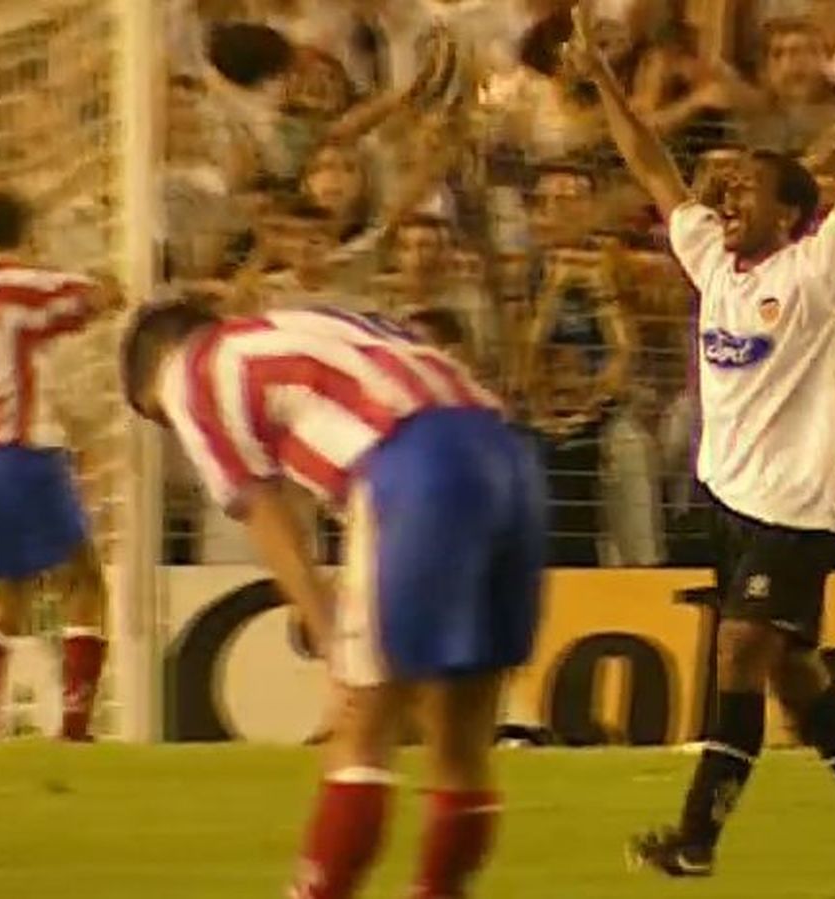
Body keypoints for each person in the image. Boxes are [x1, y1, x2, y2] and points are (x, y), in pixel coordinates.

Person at [565, 0, 835, 876]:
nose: (726, 197)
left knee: (737, 652)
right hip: (730, 500)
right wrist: (604, 80)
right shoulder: (715, 265)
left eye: (746, 190)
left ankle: (697, 838)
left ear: (792, 213)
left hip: (796, 506)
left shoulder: (820, 268)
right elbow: (651, 164)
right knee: (799, 680)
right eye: (724, 189)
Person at [119, 301, 545, 899]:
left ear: (151, 375)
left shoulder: (188, 370)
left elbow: (261, 508)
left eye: (160, 420)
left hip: (410, 463)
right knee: (462, 738)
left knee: (361, 724)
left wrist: (323, 622)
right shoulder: (309, 324)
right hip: (509, 456)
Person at [0, 190, 124, 742]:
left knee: (8, 598)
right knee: (85, 582)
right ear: (25, 234)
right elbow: (97, 296)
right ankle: (74, 727)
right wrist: (114, 274)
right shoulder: (11, 284)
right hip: (23, 453)